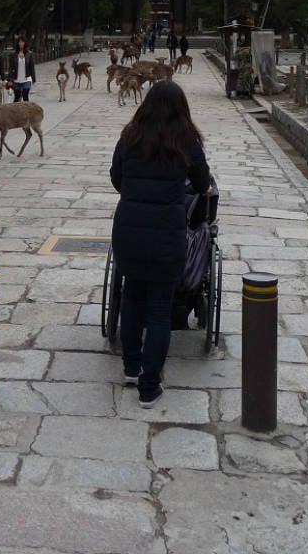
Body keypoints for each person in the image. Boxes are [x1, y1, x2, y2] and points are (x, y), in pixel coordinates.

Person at [110, 80, 212, 408]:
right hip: (167, 234)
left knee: (131, 298)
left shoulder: (130, 135)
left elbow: (116, 177)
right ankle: (149, 386)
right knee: (158, 310)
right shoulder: (186, 140)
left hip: (128, 231)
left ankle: (130, 367)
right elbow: (201, 182)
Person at [8, 36, 36, 102]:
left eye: (22, 42)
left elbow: (32, 67)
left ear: (25, 43)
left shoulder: (29, 54)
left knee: (25, 94)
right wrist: (9, 79)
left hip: (26, 78)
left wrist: (33, 79)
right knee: (17, 96)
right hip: (17, 79)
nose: (21, 43)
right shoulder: (13, 54)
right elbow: (11, 68)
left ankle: (27, 111)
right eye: (19, 42)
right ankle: (16, 111)